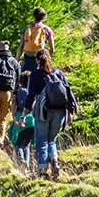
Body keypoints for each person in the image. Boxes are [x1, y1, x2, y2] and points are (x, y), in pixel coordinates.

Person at [24, 50, 76, 180]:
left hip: (43, 112)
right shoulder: (59, 73)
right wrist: (70, 112)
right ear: (49, 58)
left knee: (41, 140)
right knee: (51, 140)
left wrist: (26, 111)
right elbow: (68, 92)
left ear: (37, 60)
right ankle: (55, 162)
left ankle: (42, 170)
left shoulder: (34, 75)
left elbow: (30, 95)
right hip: (60, 112)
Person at [8, 88, 36, 172]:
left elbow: (14, 105)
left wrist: (14, 117)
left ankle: (21, 159)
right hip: (31, 120)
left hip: (20, 118)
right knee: (27, 145)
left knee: (18, 143)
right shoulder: (31, 91)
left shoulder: (17, 92)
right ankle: (26, 168)